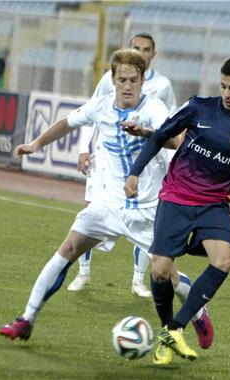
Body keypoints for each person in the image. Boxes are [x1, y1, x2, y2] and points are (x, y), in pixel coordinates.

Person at [0, 49, 214, 350]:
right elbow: (67, 123)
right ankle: (26, 318)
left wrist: (147, 134)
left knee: (167, 274)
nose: (128, 86)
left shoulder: (153, 108)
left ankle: (199, 312)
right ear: (113, 80)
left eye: (134, 80)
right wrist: (35, 144)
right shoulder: (101, 106)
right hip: (109, 204)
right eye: (122, 79)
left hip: (150, 209)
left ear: (142, 81)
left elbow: (176, 141)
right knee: (69, 247)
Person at [124, 56, 230, 365]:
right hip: (176, 197)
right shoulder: (198, 107)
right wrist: (136, 172)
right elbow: (162, 135)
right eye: (223, 87)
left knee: (224, 260)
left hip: (213, 205)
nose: (227, 94)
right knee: (160, 271)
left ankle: (174, 329)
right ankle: (168, 331)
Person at [67, 33, 176, 299]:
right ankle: (83, 271)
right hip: (107, 159)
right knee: (91, 211)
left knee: (143, 222)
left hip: (145, 164)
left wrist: (170, 160)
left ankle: (139, 280)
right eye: (136, 47)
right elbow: (92, 111)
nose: (142, 52)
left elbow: (171, 124)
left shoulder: (162, 85)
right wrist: (84, 148)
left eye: (146, 49)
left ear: (154, 54)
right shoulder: (110, 77)